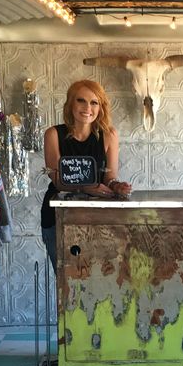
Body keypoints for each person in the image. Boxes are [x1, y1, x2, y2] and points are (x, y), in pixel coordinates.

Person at [41, 79, 132, 270]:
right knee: (67, 279)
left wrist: (116, 186)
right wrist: (86, 188)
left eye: (94, 102)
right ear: (70, 104)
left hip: (97, 217)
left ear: (100, 107)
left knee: (98, 279)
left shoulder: (109, 135)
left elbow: (109, 176)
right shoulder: (53, 134)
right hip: (59, 215)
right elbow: (58, 180)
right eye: (81, 100)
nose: (87, 107)